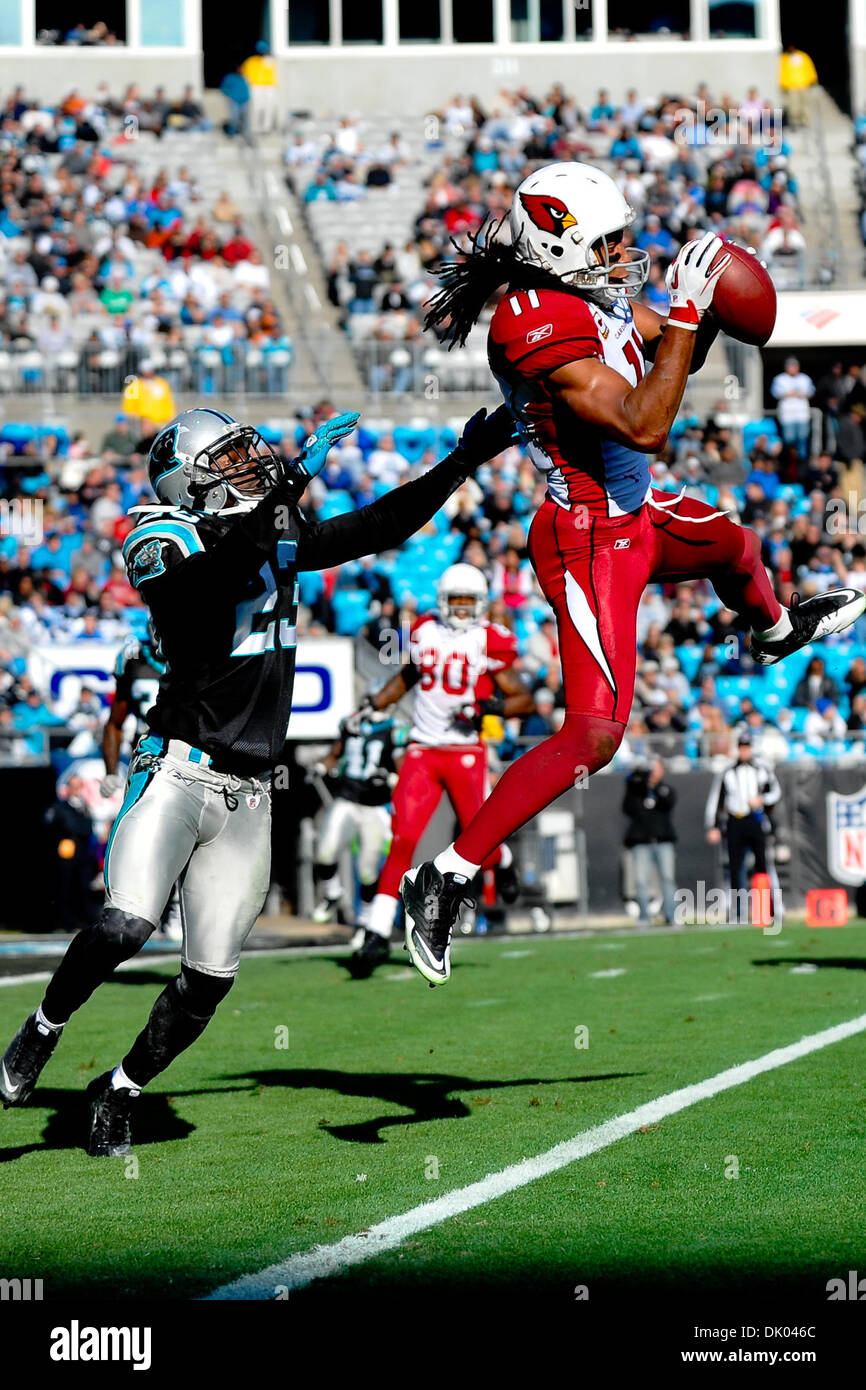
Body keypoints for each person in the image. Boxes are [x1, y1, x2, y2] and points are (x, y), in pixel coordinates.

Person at [0, 402, 514, 1152]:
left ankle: (119, 1088)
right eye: (230, 460)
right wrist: (294, 481)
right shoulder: (159, 533)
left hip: (249, 792)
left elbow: (376, 527)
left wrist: (463, 461)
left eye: (250, 454)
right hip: (178, 765)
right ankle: (40, 1031)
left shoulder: (270, 529)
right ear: (187, 481)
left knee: (208, 979)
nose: (251, 466)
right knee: (126, 923)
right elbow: (205, 595)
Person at [401, 159, 864, 986]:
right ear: (557, 245)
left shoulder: (585, 292)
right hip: (587, 534)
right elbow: (647, 421)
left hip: (639, 511)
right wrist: (688, 312)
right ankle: (450, 872)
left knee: (740, 549)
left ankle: (778, 630)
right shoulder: (532, 318)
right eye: (607, 241)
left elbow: (666, 352)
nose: (625, 252)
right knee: (595, 734)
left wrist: (709, 304)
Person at [349, 564, 532, 982]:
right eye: (457, 601)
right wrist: (375, 703)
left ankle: (501, 861)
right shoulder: (426, 631)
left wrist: (491, 708)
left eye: (471, 602)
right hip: (422, 749)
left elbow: (522, 697)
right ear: (443, 602)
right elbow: (408, 676)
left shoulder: (489, 641)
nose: (463, 611)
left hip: (465, 750)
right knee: (404, 838)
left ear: (482, 604)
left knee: (477, 836)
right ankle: (376, 931)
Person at [309, 700, 409, 978]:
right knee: (325, 852)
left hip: (375, 807)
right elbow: (335, 754)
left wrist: (390, 778)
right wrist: (322, 765)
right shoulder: (351, 723)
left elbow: (406, 772)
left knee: (366, 870)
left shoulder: (396, 730)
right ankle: (331, 893)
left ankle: (365, 926)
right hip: (347, 798)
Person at [101, 621, 181, 942]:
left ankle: (174, 902)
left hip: (186, 753)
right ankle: (126, 902)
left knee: (180, 831)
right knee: (135, 830)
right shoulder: (134, 657)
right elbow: (116, 720)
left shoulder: (196, 651)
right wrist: (110, 770)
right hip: (146, 756)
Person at [704, 732, 782, 924]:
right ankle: (738, 912)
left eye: (747, 747)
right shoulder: (728, 771)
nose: (745, 751)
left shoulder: (762, 769)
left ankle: (768, 910)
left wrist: (762, 800)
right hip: (735, 821)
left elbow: (776, 792)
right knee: (735, 867)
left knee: (763, 865)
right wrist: (713, 825)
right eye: (742, 747)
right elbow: (717, 799)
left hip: (755, 820)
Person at [622, 758, 677, 928]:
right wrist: (637, 780)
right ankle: (644, 917)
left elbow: (668, 802)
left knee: (668, 878)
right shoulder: (636, 790)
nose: (652, 773)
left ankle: (671, 916)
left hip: (662, 840)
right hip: (641, 841)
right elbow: (627, 808)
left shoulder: (665, 789)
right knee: (641, 880)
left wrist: (653, 787)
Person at [771, 357, 815, 460]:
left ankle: (802, 461)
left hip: (802, 415)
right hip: (787, 415)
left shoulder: (805, 378)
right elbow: (775, 393)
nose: (793, 368)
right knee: (788, 439)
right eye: (790, 366)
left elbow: (811, 392)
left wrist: (797, 393)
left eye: (794, 366)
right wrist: (789, 393)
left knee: (802, 438)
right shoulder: (780, 379)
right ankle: (789, 460)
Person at [241, 40, 279, 135]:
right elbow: (245, 74)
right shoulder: (251, 61)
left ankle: (266, 127)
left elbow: (276, 73)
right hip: (256, 86)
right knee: (256, 107)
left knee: (269, 107)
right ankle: (255, 127)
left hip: (269, 87)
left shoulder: (270, 60)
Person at [779, 45, 818, 129]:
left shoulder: (803, 56)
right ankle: (794, 122)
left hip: (804, 83)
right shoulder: (784, 58)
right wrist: (783, 84)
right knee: (793, 105)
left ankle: (805, 121)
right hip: (791, 85)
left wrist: (813, 79)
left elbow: (809, 68)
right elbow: (782, 71)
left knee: (805, 103)